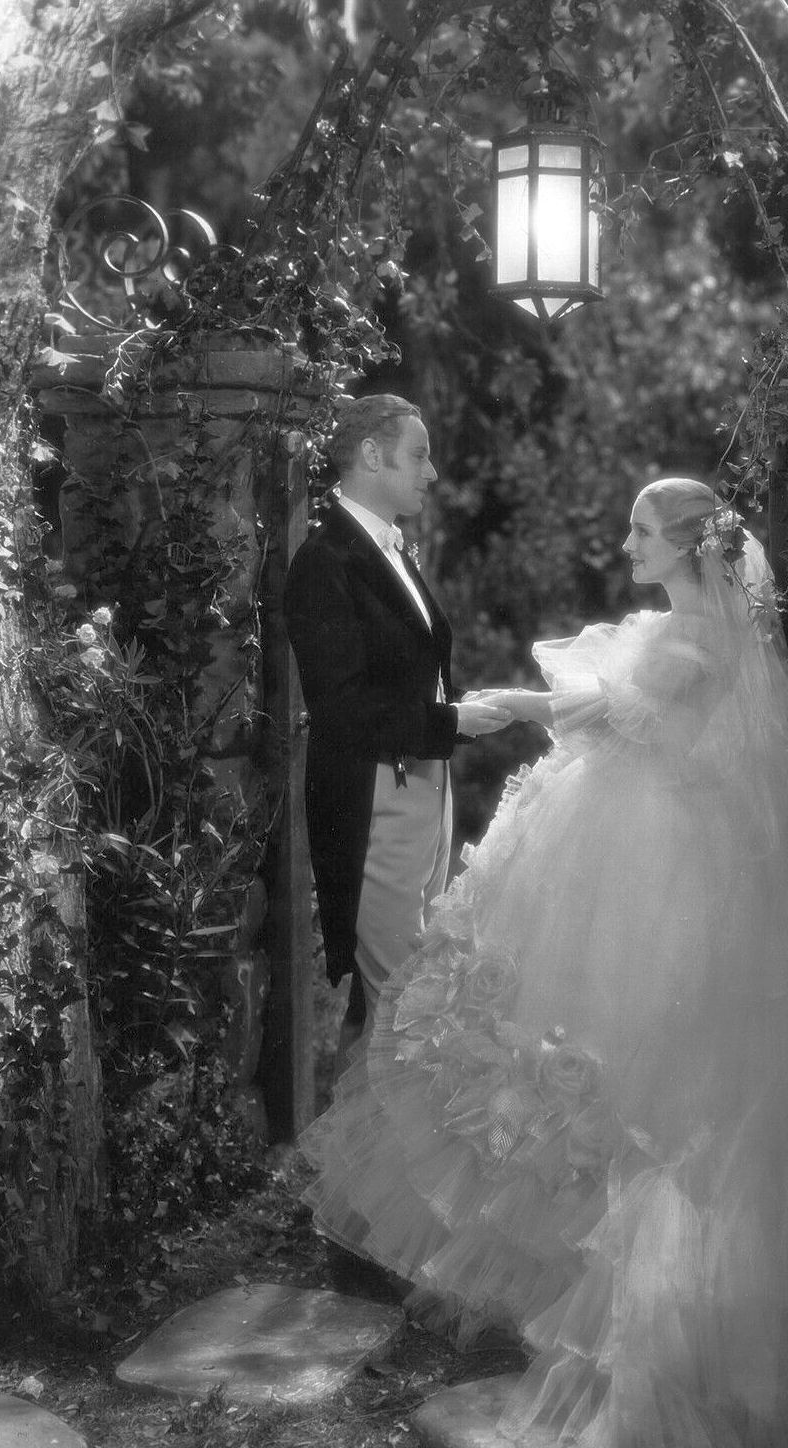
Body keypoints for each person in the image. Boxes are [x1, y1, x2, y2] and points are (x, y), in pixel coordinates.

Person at [300, 478, 788, 1448]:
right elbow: (616, 699)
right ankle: (553, 1262)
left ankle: (655, 1287)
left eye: (642, 529)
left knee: (640, 1063)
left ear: (687, 546)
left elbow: (632, 716)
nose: (628, 542)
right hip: (613, 835)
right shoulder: (667, 624)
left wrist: (524, 704)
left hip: (663, 859)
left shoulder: (705, 637)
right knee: (557, 1033)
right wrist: (549, 703)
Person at [284, 394, 510, 1080]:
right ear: (370, 455)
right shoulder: (325, 561)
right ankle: (402, 1147)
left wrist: (456, 712)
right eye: (418, 456)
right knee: (404, 1007)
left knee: (395, 1000)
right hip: (376, 796)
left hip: (423, 787)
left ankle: (350, 1143)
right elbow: (341, 709)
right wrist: (451, 722)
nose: (432, 472)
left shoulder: (388, 549)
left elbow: (405, 672)